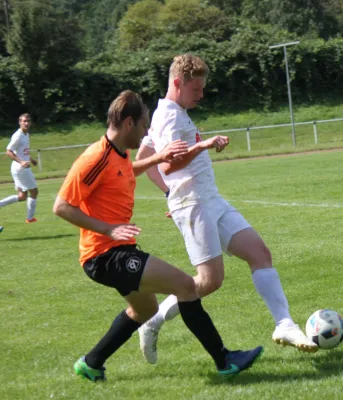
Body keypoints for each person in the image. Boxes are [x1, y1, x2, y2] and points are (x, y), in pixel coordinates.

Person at [53, 90, 263, 382]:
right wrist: (107, 229)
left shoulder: (117, 154)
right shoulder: (95, 158)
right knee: (187, 287)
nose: (145, 133)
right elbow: (61, 206)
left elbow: (126, 171)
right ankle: (224, 360)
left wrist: (159, 157)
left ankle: (91, 363)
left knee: (146, 308)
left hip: (115, 251)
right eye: (143, 126)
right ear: (129, 123)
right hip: (105, 255)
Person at [135, 53, 317, 365]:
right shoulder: (168, 116)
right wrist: (202, 147)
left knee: (259, 253)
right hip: (194, 204)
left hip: (210, 199)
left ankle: (284, 325)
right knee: (208, 281)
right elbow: (167, 162)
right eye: (196, 89)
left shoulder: (170, 111)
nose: (201, 95)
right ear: (178, 83)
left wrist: (168, 194)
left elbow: (145, 155)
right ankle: (152, 321)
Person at [0, 113, 39, 223]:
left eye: (28, 121)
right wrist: (22, 161)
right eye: (24, 121)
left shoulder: (26, 134)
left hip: (18, 168)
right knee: (34, 192)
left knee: (22, 196)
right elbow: (8, 151)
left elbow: (22, 151)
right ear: (19, 122)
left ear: (30, 122)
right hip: (21, 168)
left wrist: (31, 159)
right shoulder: (18, 135)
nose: (26, 123)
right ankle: (30, 218)